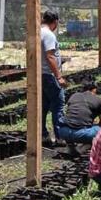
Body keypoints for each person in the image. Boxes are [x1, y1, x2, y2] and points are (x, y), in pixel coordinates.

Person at [40, 11, 67, 146]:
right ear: (55, 22)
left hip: (40, 75)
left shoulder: (37, 32)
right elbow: (50, 56)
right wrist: (59, 76)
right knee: (58, 105)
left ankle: (43, 135)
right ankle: (60, 137)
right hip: (50, 76)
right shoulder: (49, 35)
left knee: (43, 106)